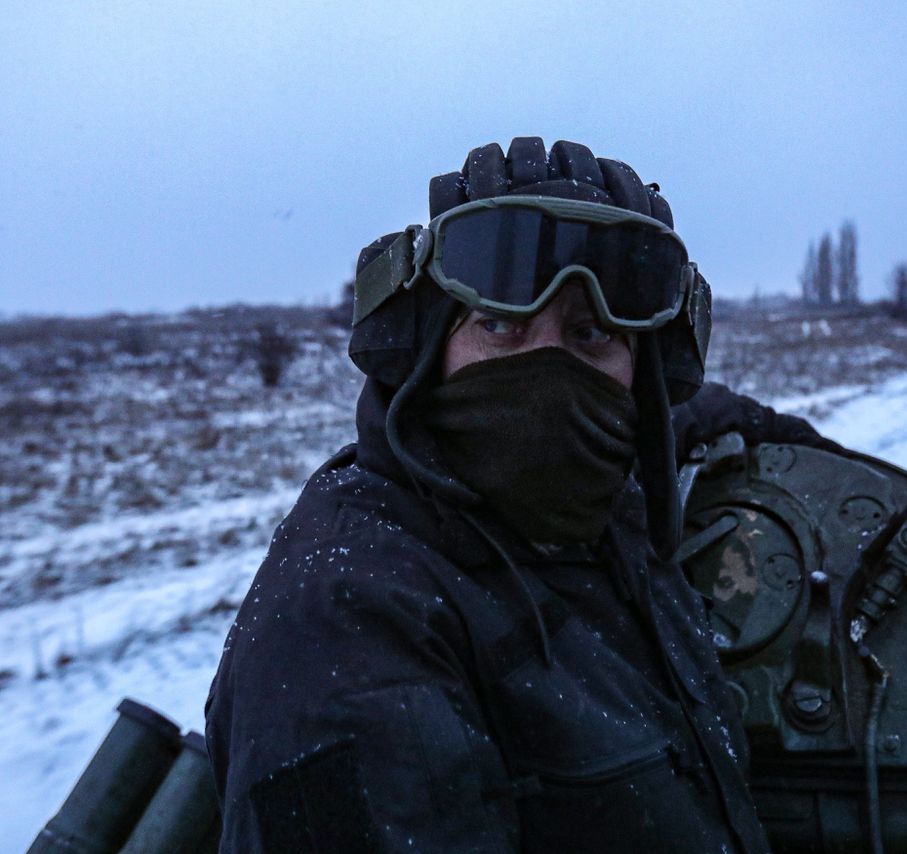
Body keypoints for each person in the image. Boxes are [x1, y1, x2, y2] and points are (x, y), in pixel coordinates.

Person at [205, 138, 817, 852]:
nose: (547, 372)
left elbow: (678, 419)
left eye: (590, 335)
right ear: (424, 349)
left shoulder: (595, 504)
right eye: (498, 324)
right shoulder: (350, 619)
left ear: (639, 377)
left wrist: (781, 436)